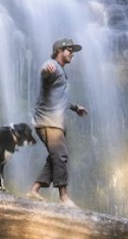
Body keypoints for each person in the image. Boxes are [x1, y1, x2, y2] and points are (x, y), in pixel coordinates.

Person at [27, 38, 89, 208]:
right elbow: (45, 73)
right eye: (69, 50)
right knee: (60, 156)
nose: (72, 54)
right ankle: (64, 197)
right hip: (48, 121)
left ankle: (35, 190)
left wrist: (75, 108)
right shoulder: (52, 65)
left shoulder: (62, 71)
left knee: (55, 157)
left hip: (54, 121)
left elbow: (59, 98)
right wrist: (46, 72)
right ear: (59, 51)